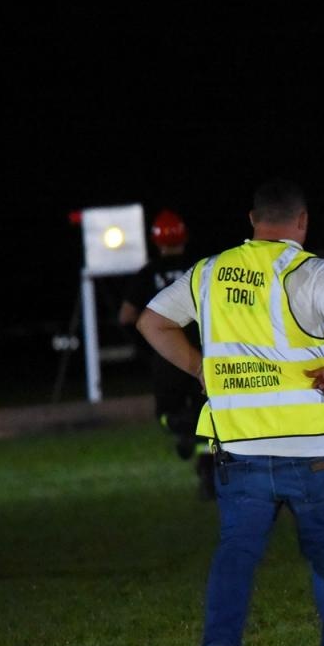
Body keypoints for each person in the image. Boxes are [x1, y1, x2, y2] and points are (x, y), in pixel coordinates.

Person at [137, 178, 324, 646]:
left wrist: (199, 366)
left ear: (252, 221)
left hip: (241, 449)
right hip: (313, 449)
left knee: (237, 555)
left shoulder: (208, 271)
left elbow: (152, 321)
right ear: (302, 222)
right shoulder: (311, 271)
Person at [119, 208, 215, 500]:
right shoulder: (200, 268)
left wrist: (146, 351)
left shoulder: (148, 274)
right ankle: (208, 470)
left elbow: (127, 317)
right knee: (208, 416)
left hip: (167, 355)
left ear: (156, 241)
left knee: (165, 414)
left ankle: (181, 429)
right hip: (202, 355)